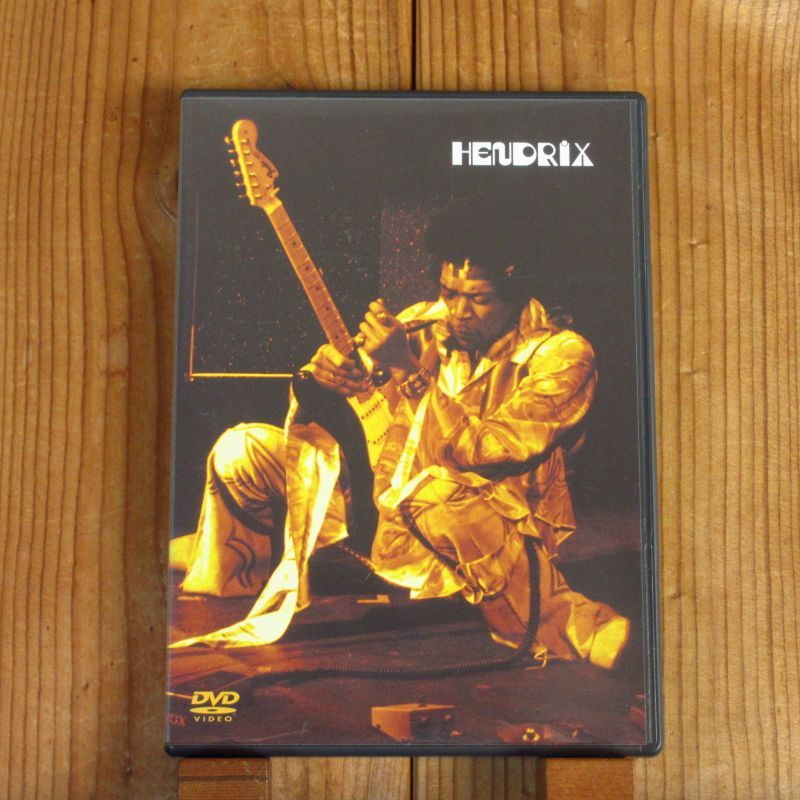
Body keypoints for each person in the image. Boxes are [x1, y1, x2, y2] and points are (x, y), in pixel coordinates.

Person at [170, 199, 630, 669]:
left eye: (479, 298)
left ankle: (566, 625)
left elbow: (487, 450)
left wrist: (409, 374)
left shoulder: (561, 355)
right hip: (386, 513)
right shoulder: (423, 323)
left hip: (482, 525)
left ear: (517, 292)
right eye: (449, 292)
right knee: (241, 449)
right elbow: (348, 388)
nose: (458, 311)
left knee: (434, 493)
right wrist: (324, 375)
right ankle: (238, 578)